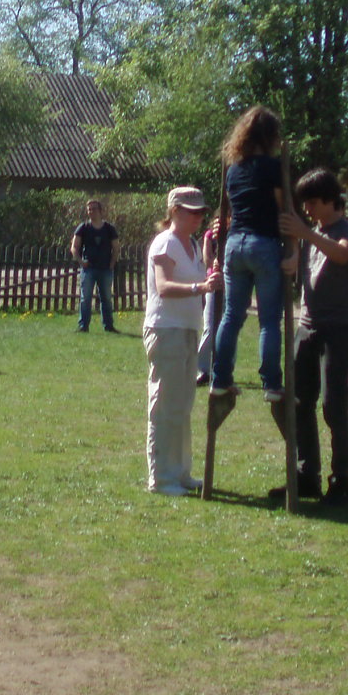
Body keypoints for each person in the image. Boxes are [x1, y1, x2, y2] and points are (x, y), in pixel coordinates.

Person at [281, 170, 348, 505]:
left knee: (334, 406)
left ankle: (342, 479)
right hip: (307, 325)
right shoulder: (312, 233)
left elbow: (342, 254)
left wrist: (305, 234)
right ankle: (307, 476)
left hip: (338, 328)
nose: (308, 209)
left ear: (331, 200)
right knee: (299, 402)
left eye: (313, 202)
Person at [143, 186, 220, 494]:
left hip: (188, 329)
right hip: (166, 329)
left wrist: (211, 271)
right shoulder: (165, 243)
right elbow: (163, 287)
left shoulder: (193, 244)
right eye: (192, 212)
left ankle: (181, 472)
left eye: (202, 212)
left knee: (183, 405)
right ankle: (161, 478)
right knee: (165, 406)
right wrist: (200, 288)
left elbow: (203, 276)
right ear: (175, 211)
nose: (199, 217)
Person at [208, 106, 286, 402]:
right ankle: (271, 384)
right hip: (263, 242)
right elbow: (282, 207)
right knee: (269, 320)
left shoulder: (234, 169)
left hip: (234, 244)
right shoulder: (272, 167)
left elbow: (233, 206)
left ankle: (220, 379)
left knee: (231, 316)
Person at [70, 199, 119, 333]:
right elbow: (74, 247)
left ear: (100, 211)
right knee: (85, 298)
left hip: (105, 269)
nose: (91, 212)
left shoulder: (109, 228)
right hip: (88, 269)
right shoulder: (83, 228)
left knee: (106, 298)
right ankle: (83, 326)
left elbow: (116, 247)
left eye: (94, 209)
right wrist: (81, 261)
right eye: (89, 210)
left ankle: (108, 326)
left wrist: (112, 264)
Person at [195, 211, 224, 387]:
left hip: (231, 282)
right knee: (210, 326)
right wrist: (215, 263)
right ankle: (203, 369)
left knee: (227, 328)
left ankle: (224, 368)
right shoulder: (209, 236)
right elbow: (207, 259)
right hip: (213, 282)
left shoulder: (236, 234)